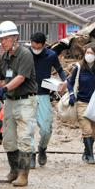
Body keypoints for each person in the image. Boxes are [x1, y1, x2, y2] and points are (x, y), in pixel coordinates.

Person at [0, 21, 38, 187]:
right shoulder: (4, 57)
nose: (2, 42)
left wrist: (4, 89)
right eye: (0, 39)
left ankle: (23, 175)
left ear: (14, 38)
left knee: (24, 137)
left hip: (25, 101)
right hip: (10, 101)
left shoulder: (25, 54)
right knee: (8, 138)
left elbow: (21, 77)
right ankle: (13, 171)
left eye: (4, 39)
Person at [67, 44, 95, 164]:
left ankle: (86, 152)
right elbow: (70, 83)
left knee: (93, 132)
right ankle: (91, 156)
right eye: (87, 53)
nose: (89, 55)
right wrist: (71, 94)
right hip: (82, 103)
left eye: (92, 53)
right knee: (86, 130)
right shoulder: (79, 68)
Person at [29, 31, 67, 168]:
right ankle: (31, 153)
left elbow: (60, 70)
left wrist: (65, 82)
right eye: (34, 47)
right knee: (28, 127)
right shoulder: (26, 54)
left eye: (39, 47)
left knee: (46, 128)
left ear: (44, 45)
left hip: (44, 94)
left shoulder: (51, 55)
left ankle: (42, 148)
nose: (36, 50)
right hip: (27, 94)